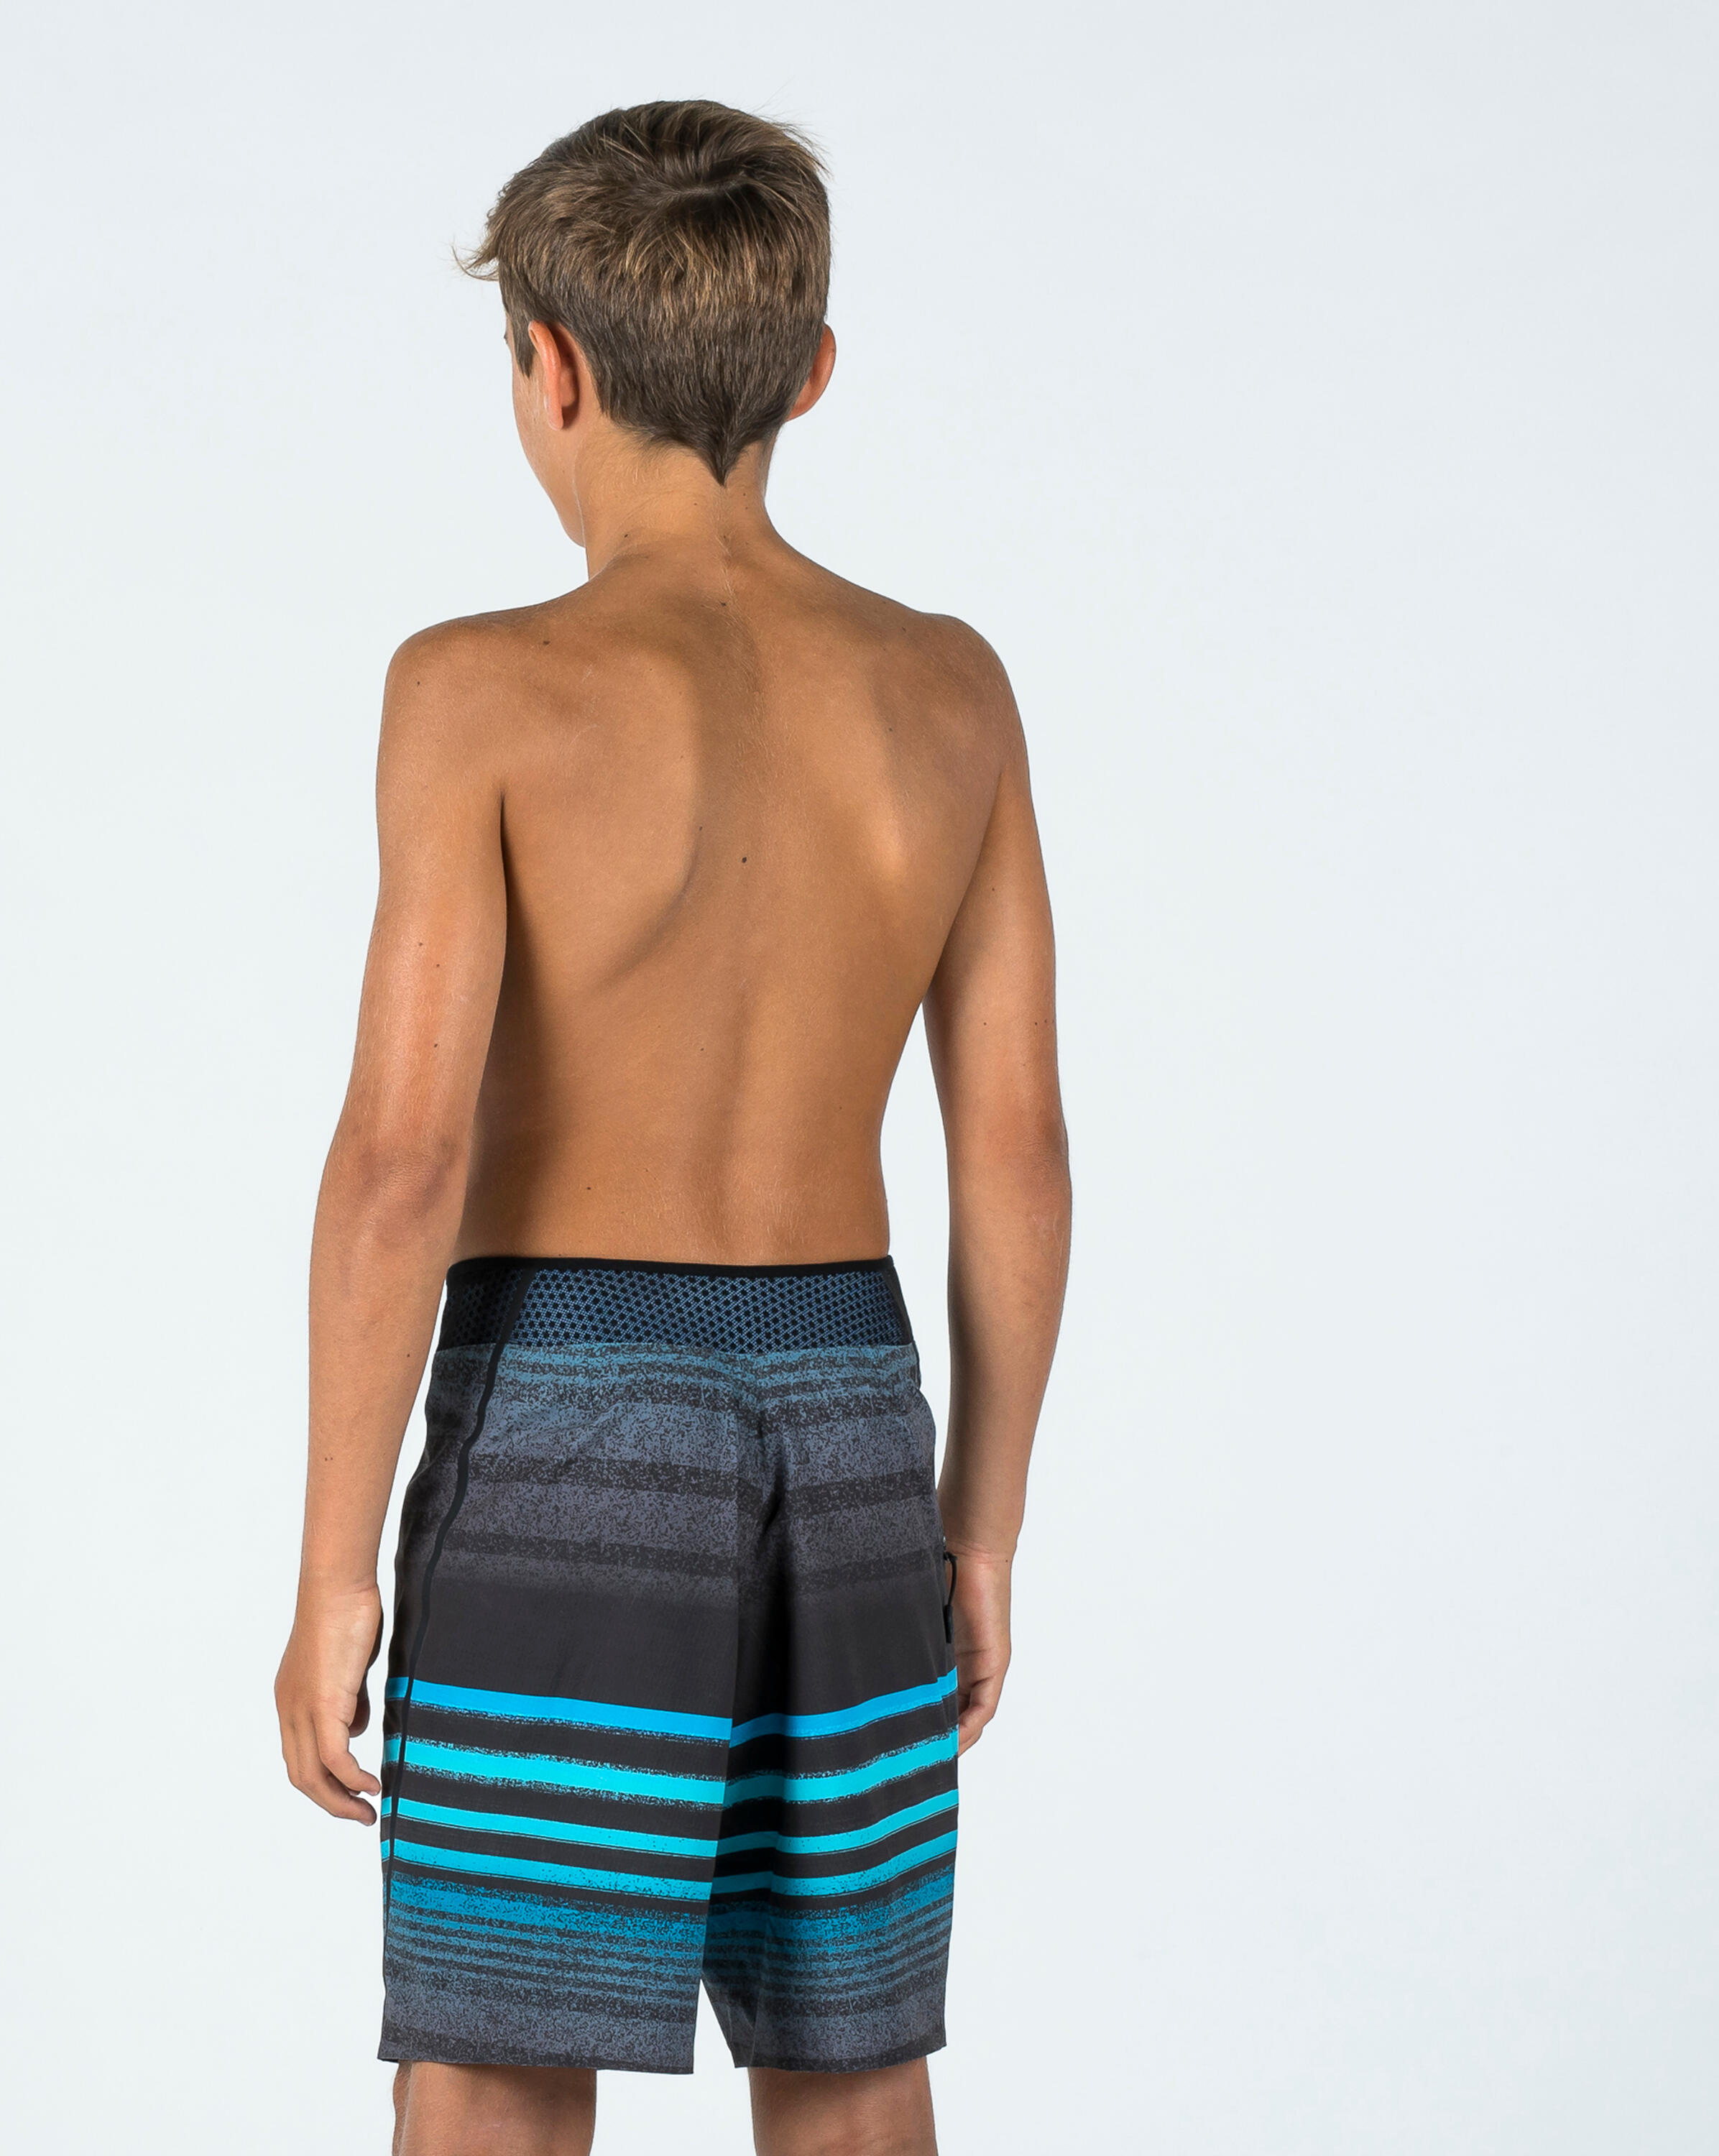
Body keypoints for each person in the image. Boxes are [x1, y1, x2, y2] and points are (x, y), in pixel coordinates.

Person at [274, 100, 1070, 2156]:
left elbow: (401, 1162)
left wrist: (336, 1572)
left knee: (500, 2056)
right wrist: (978, 1523)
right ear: (811, 372)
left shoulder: (480, 688)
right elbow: (1014, 1150)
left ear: (548, 367)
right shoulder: (951, 693)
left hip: (570, 1418)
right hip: (853, 1418)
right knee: (853, 2058)